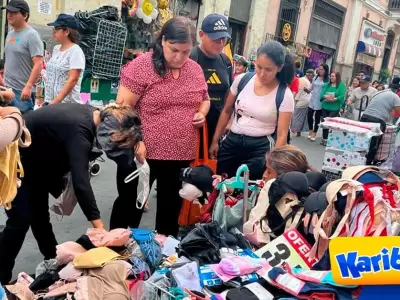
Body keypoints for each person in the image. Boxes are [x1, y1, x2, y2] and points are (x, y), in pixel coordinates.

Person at [0, 103, 142, 284]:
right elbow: (81, 184)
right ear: (109, 130)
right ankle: (2, 276)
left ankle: (53, 258)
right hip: (15, 158)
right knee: (20, 220)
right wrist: (100, 230)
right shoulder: (80, 132)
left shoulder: (96, 116)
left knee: (39, 216)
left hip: (36, 162)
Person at [116, 17, 209, 236]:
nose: (179, 57)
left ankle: (162, 256)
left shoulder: (194, 70)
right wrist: (136, 140)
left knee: (170, 210)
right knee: (131, 206)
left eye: (186, 52)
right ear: (163, 41)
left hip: (179, 154)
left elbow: (204, 97)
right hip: (143, 153)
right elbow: (122, 108)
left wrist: (201, 113)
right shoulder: (142, 66)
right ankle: (118, 254)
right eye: (174, 50)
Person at [209, 41, 295, 180]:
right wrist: (215, 140)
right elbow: (226, 110)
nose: (261, 74)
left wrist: (272, 166)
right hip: (232, 143)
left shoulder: (285, 95)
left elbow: (282, 135)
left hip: (260, 150)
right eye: (258, 67)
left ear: (279, 68)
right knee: (220, 186)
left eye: (268, 70)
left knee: (246, 193)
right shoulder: (242, 80)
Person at [190, 13, 233, 146]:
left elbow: (229, 95)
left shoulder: (226, 61)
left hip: (217, 127)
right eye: (215, 39)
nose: (220, 44)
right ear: (202, 35)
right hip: (193, 124)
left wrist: (229, 121)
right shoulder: (191, 57)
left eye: (223, 39)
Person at [3, 0, 43, 114]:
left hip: (22, 93)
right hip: (8, 89)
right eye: (8, 11)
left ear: (25, 15)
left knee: (23, 126)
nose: (9, 15)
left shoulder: (32, 35)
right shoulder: (10, 34)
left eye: (14, 12)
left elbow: (38, 63)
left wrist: (29, 86)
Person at [45, 14, 85, 104]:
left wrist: (57, 100)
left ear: (66, 31)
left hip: (66, 105)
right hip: (50, 102)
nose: (53, 32)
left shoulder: (76, 51)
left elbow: (73, 79)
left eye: (56, 29)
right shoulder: (56, 49)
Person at [361, 77, 400, 165]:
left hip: (365, 117)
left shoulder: (379, 93)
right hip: (377, 120)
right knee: (374, 143)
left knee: (363, 139)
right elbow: (398, 111)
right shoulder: (395, 97)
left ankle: (358, 158)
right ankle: (367, 164)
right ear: (397, 90)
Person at [320, 71, 346, 146]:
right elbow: (322, 94)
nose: (331, 77)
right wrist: (326, 97)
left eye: (333, 76)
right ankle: (324, 138)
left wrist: (335, 99)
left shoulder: (341, 85)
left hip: (334, 107)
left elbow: (342, 95)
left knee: (330, 123)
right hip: (325, 106)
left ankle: (329, 138)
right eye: (331, 76)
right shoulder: (327, 85)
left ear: (337, 77)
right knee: (325, 123)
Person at [307, 64, 329, 141]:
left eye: (322, 69)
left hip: (320, 100)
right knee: (309, 114)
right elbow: (311, 87)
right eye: (319, 69)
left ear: (325, 70)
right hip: (312, 99)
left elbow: (328, 90)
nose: (320, 70)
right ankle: (310, 129)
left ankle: (314, 132)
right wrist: (307, 90)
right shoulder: (315, 77)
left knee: (317, 117)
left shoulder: (327, 80)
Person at [292, 69, 314, 137]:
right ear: (309, 75)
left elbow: (298, 91)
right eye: (312, 75)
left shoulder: (302, 80)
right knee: (301, 117)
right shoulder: (305, 81)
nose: (313, 77)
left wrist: (295, 100)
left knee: (297, 116)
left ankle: (296, 131)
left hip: (301, 100)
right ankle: (298, 131)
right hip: (305, 100)